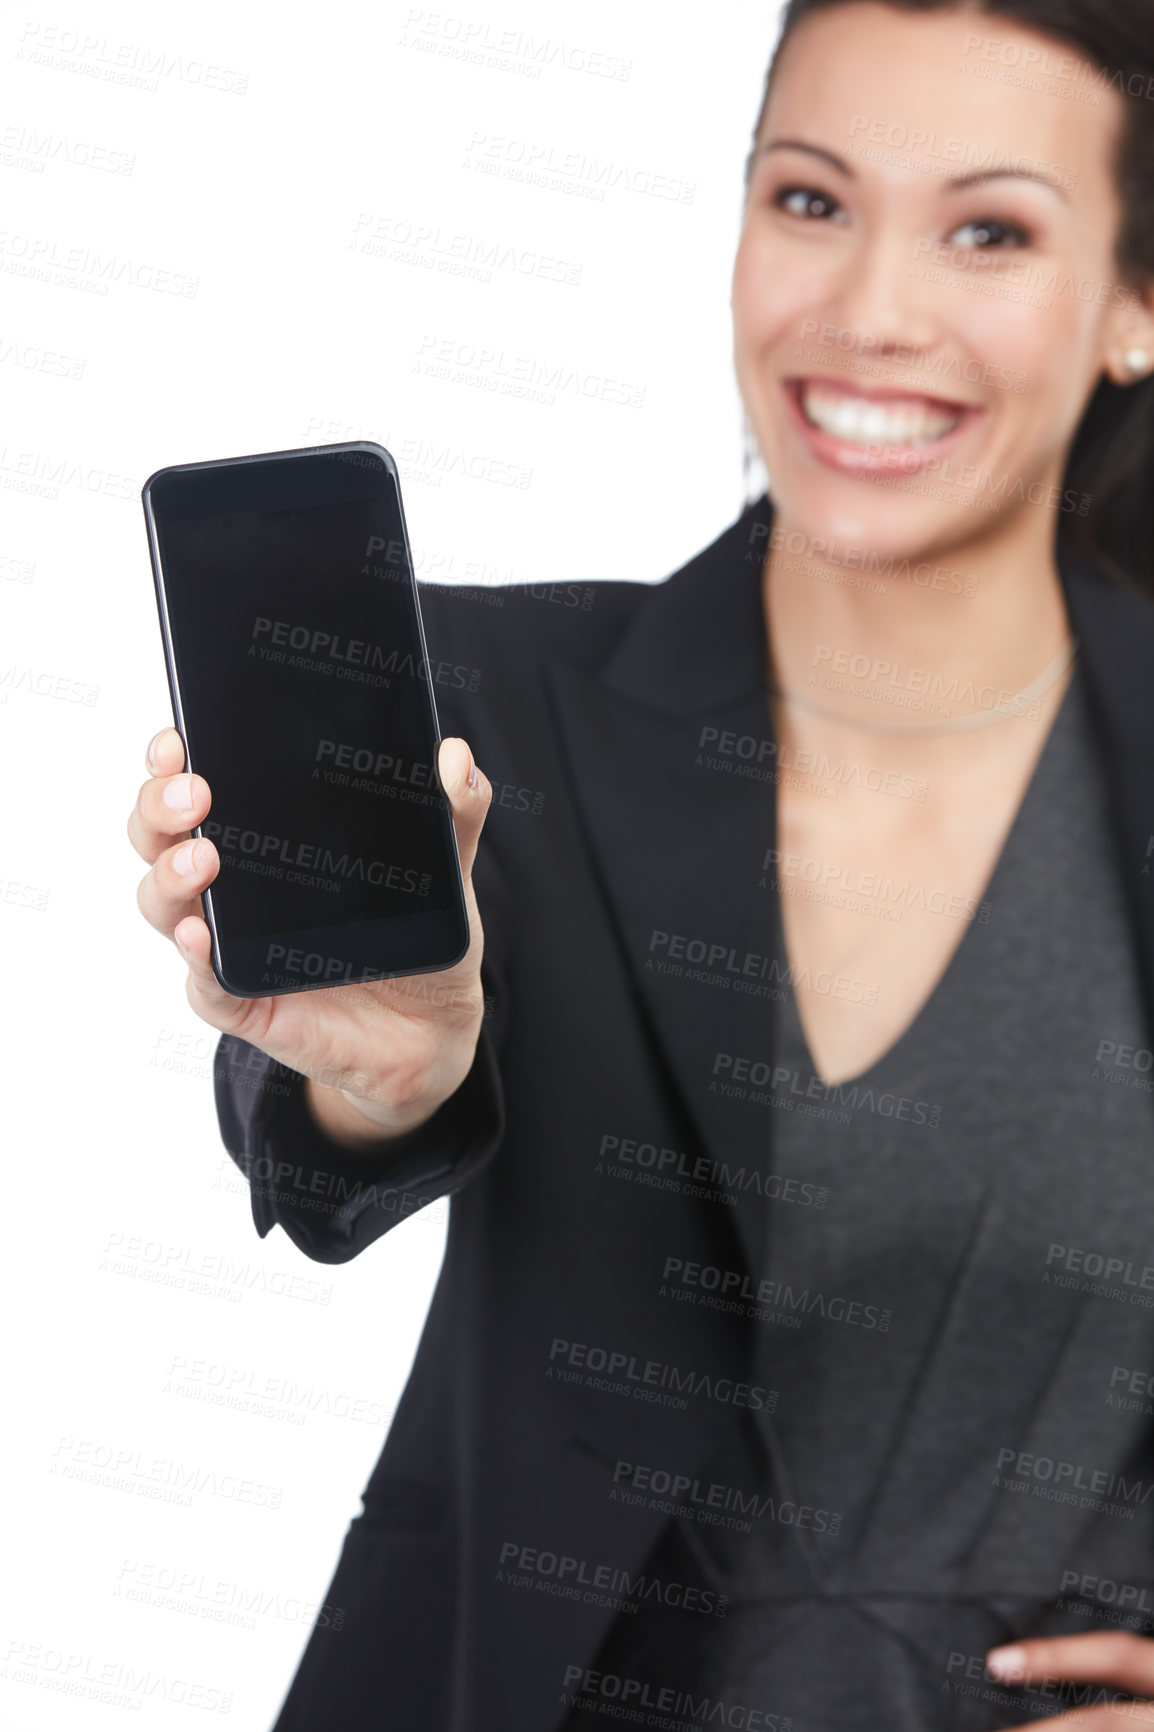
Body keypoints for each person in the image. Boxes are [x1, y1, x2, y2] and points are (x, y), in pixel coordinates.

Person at [128, 1, 1154, 1727]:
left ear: (1132, 301)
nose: (868, 312)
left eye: (987, 229)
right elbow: (321, 1135)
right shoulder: (493, 703)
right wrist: (379, 1081)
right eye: (810, 202)